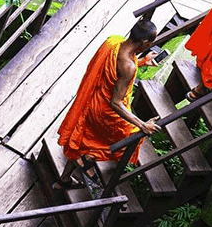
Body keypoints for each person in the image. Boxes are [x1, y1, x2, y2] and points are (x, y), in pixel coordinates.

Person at [54, 19, 161, 190]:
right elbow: (116, 103)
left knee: (83, 142)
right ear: (145, 43)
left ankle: (63, 181)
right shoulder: (128, 66)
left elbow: (117, 70)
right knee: (130, 134)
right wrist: (142, 125)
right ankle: (85, 160)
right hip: (104, 113)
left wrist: (141, 62)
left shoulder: (113, 41)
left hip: (93, 100)